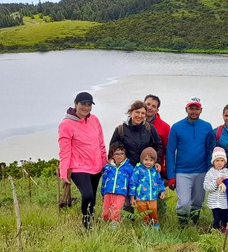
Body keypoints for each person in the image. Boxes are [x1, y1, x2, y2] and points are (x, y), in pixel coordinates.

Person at [58, 91, 107, 229]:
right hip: (78, 167)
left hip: (96, 166)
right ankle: (86, 225)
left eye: (89, 105)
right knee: (87, 195)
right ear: (75, 104)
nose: (86, 108)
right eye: (83, 104)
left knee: (93, 198)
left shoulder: (94, 120)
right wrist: (64, 173)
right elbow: (65, 151)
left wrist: (104, 164)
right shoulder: (66, 125)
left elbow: (101, 143)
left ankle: (91, 222)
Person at [166, 97, 214, 226]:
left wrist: (210, 169)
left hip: (202, 171)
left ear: (201, 110)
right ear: (186, 109)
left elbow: (211, 150)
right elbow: (170, 152)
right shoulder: (176, 127)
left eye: (196, 109)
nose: (194, 111)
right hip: (182, 172)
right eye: (191, 108)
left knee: (198, 201)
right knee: (184, 203)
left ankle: (194, 223)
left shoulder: (207, 127)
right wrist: (171, 176)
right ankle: (182, 226)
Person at [110, 100, 163, 167]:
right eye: (137, 112)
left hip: (145, 169)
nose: (140, 115)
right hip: (126, 170)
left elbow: (158, 146)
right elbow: (112, 150)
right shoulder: (120, 130)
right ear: (130, 112)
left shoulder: (150, 128)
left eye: (143, 113)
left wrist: (156, 161)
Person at [130, 147, 166, 229]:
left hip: (152, 197)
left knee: (153, 211)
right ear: (142, 159)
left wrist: (162, 191)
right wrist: (132, 196)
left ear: (154, 161)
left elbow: (159, 182)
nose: (148, 162)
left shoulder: (155, 171)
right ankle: (145, 224)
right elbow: (133, 183)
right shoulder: (138, 169)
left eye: (151, 160)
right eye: (146, 160)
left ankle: (155, 223)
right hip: (140, 198)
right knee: (143, 213)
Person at [100, 142, 134, 225]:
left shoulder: (129, 167)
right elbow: (104, 181)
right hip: (108, 192)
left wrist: (132, 196)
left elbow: (132, 183)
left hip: (120, 193)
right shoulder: (108, 167)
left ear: (125, 155)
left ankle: (114, 226)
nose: (119, 156)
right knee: (106, 211)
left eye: (122, 153)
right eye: (117, 154)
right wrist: (103, 193)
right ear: (112, 155)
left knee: (116, 210)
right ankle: (104, 225)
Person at [203, 147, 228, 230]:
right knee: (216, 218)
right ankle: (216, 231)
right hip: (214, 202)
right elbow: (207, 187)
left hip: (225, 201)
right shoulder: (210, 173)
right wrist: (216, 183)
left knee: (225, 218)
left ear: (225, 162)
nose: (219, 163)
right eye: (217, 160)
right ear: (213, 162)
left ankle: (225, 230)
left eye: (222, 160)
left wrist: (225, 183)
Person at [144, 94, 170, 179]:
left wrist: (166, 171)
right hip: (135, 167)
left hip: (155, 168)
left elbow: (167, 150)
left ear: (157, 110)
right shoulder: (133, 123)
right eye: (148, 104)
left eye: (153, 106)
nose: (150, 107)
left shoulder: (165, 127)